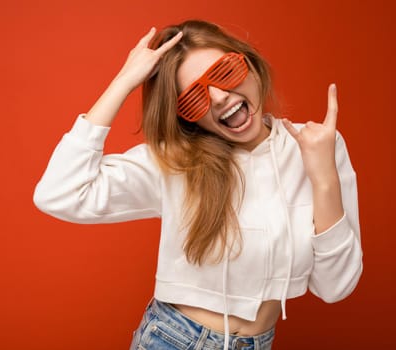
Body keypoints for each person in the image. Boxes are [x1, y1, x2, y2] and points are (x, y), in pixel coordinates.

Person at [33, 20, 363, 350]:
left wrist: (323, 179)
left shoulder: (319, 147)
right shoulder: (177, 162)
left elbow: (335, 286)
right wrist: (124, 81)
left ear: (249, 65)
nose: (219, 97)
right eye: (195, 97)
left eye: (225, 72)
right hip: (173, 339)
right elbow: (58, 193)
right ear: (187, 117)